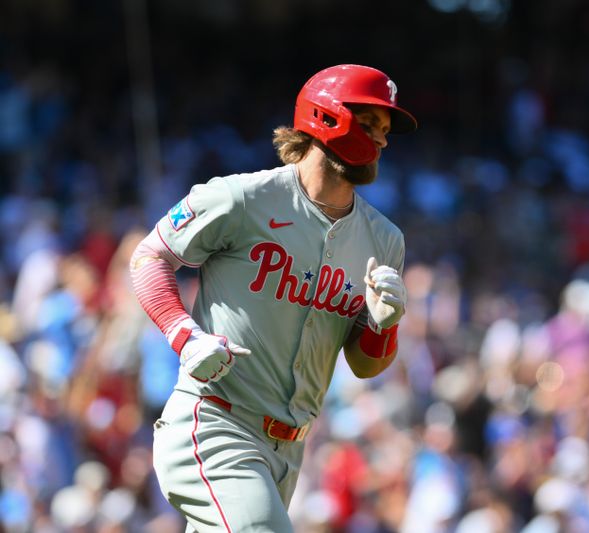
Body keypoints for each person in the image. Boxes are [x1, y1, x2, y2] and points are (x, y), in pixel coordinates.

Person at [129, 64, 417, 532]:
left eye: (386, 131)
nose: (382, 141)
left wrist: (385, 325)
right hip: (216, 424)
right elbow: (149, 256)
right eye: (370, 125)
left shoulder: (384, 240)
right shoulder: (243, 198)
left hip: (289, 452)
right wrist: (184, 335)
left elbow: (365, 365)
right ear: (327, 118)